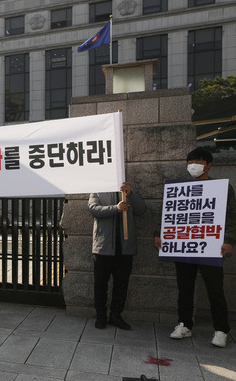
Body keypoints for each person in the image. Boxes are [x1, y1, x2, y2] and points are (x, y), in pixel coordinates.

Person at [154, 148, 236, 347]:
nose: (193, 166)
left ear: (208, 164)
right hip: (184, 247)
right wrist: (160, 234)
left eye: (197, 162)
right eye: (190, 161)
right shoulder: (180, 188)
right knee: (185, 288)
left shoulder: (223, 188)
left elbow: (232, 218)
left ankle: (221, 330)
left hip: (212, 247)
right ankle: (184, 324)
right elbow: (169, 214)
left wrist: (229, 241)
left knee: (215, 290)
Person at [88, 182, 147, 330]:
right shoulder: (99, 189)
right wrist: (116, 208)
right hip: (103, 247)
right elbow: (94, 209)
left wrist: (131, 194)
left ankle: (116, 315)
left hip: (125, 247)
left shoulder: (130, 189)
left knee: (121, 283)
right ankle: (101, 316)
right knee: (100, 283)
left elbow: (141, 210)